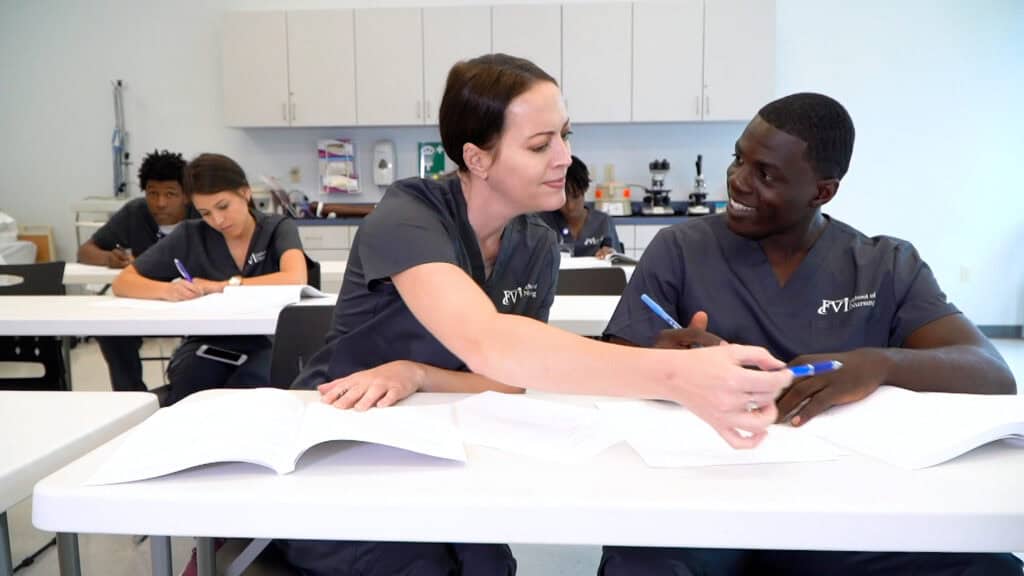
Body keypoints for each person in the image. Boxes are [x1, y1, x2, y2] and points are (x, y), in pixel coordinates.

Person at [281, 53, 791, 576]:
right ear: (478, 158)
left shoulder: (536, 244)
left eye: (565, 136)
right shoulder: (407, 217)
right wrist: (676, 376)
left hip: (448, 449)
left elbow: (507, 379)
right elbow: (489, 341)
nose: (565, 158)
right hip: (344, 447)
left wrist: (416, 374)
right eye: (540, 145)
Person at [600, 92, 1020, 576]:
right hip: (707, 496)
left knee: (989, 567)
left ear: (823, 192)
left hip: (843, 505)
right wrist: (663, 361)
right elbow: (612, 369)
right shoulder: (679, 250)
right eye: (738, 159)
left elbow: (991, 373)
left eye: (766, 174)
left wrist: (878, 364)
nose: (738, 180)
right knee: (643, 562)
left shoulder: (883, 265)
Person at [112, 153, 307, 405]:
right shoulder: (190, 235)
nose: (217, 220)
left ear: (245, 193)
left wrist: (223, 286)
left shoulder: (278, 228)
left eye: (223, 206)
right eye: (205, 213)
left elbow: (295, 278)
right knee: (190, 384)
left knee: (251, 387)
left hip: (269, 341)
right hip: (208, 342)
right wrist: (168, 290)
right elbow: (123, 282)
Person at [78, 149, 194, 392]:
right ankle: (131, 394)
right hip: (143, 299)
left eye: (170, 194)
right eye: (152, 193)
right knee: (110, 330)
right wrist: (108, 258)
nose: (160, 202)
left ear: (186, 196)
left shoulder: (200, 216)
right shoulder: (135, 213)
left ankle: (186, 391)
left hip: (192, 300)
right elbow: (86, 251)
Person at [539, 155, 620, 258]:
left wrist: (609, 254)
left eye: (575, 196)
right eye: (564, 199)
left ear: (584, 189)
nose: (570, 206)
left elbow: (618, 261)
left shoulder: (603, 222)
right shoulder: (543, 223)